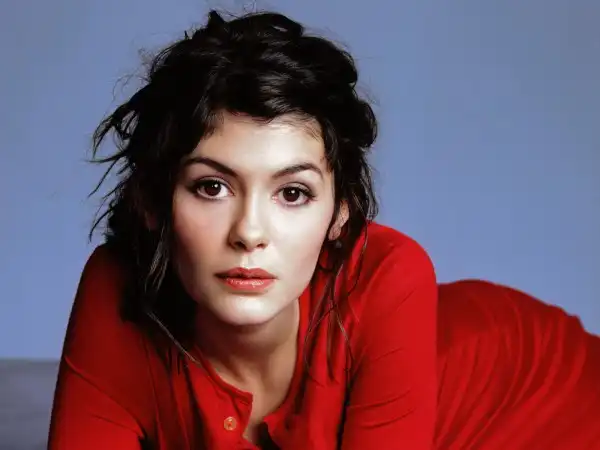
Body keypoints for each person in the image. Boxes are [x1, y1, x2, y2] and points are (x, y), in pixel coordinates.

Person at [47, 10, 600, 450]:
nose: (249, 232)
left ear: (341, 214)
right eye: (212, 187)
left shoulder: (391, 274)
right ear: (152, 201)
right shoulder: (118, 287)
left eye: (293, 193)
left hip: (543, 395)